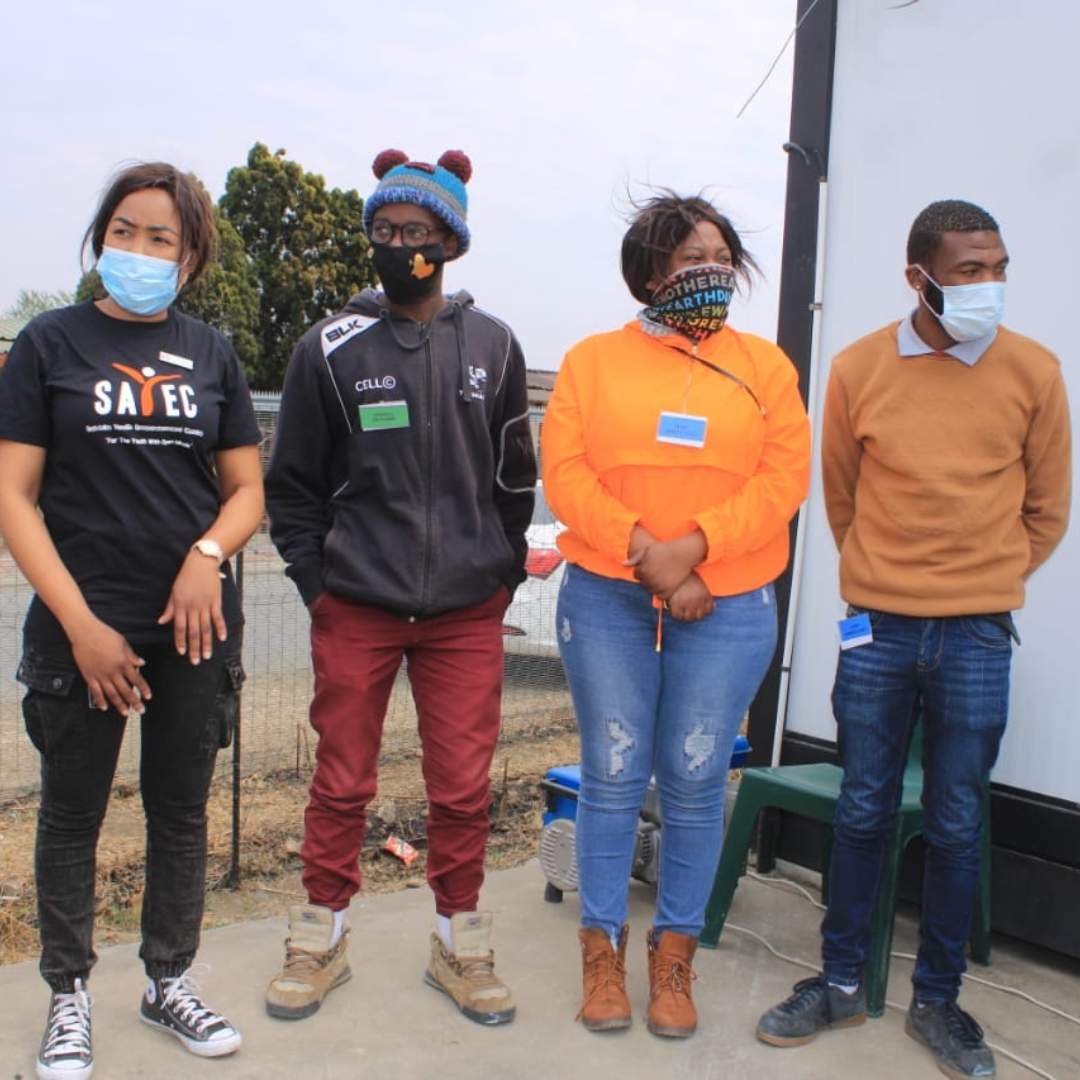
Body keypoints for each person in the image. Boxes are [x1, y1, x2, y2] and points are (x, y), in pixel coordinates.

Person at [756, 200, 1071, 1078]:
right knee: (862, 806)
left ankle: (938, 1001)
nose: (989, 285)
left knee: (958, 817)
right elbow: (842, 498)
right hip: (878, 630)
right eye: (970, 271)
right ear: (919, 277)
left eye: (998, 268)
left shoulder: (1034, 371)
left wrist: (980, 581)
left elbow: (1047, 510)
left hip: (978, 633)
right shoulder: (858, 368)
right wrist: (886, 583)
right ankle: (840, 985)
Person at [0, 162, 265, 1079]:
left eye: (162, 237)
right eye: (124, 230)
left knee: (179, 811)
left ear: (190, 255)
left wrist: (206, 557)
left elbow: (245, 490)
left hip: (193, 628)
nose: (139, 249)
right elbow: (15, 497)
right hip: (82, 630)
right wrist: (80, 625)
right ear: (100, 238)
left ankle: (168, 981)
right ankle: (68, 996)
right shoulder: (49, 344)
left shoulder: (212, 352)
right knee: (71, 814)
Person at [263, 149, 536, 1027]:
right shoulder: (328, 347)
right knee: (342, 780)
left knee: (462, 788)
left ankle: (461, 943)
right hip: (358, 606)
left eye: (417, 231)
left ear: (450, 241)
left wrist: (498, 572)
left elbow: (514, 479)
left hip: (465, 612)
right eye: (384, 230)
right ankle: (320, 937)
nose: (400, 245)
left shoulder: (493, 344)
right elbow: (292, 486)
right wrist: (320, 584)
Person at [541, 191, 812, 1038]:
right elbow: (567, 471)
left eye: (723, 256)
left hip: (727, 600)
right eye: (694, 257)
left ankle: (674, 959)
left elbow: (783, 479)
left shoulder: (766, 368)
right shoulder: (592, 361)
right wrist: (645, 552)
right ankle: (601, 953)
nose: (713, 270)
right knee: (614, 773)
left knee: (696, 780)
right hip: (609, 594)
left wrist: (695, 550)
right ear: (651, 270)